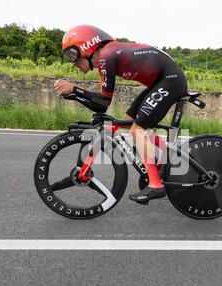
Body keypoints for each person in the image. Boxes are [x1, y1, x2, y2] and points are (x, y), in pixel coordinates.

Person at [54, 25, 188, 203]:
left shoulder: (106, 57)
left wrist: (75, 90)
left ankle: (156, 185)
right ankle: (162, 155)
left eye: (75, 58)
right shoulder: (108, 55)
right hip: (161, 81)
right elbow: (101, 106)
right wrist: (74, 94)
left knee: (137, 130)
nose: (75, 64)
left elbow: (103, 102)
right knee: (127, 123)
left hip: (170, 81)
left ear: (87, 48)